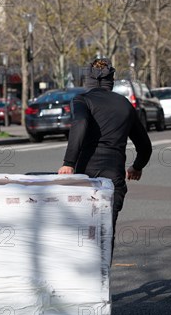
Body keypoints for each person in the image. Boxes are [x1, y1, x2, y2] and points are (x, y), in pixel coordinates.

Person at [58, 58, 152, 250]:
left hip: (86, 174)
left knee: (83, 233)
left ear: (88, 79)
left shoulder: (82, 100)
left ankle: (83, 277)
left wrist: (69, 162)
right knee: (106, 234)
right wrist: (137, 166)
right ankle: (102, 278)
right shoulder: (125, 104)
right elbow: (145, 146)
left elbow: (80, 125)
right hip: (113, 174)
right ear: (112, 80)